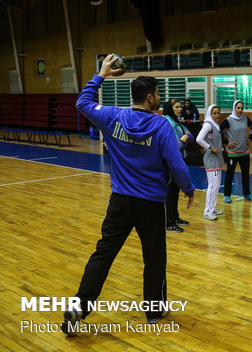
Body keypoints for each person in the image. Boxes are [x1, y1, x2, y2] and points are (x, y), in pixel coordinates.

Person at [62, 54, 195, 335]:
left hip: (120, 202)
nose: (159, 97)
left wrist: (101, 74)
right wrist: (188, 189)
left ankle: (78, 308)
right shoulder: (160, 126)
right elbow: (176, 164)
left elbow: (82, 103)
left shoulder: (114, 117)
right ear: (149, 97)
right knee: (155, 259)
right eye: (157, 94)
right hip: (150, 205)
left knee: (103, 254)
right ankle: (154, 312)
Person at [162, 99, 194, 232]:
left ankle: (175, 217)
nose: (180, 109)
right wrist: (184, 140)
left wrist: (186, 138)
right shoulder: (168, 122)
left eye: (180, 106)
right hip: (171, 163)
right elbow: (176, 145)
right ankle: (169, 222)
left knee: (175, 192)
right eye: (177, 107)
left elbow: (191, 135)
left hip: (180, 160)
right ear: (170, 108)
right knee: (170, 193)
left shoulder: (177, 122)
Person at [220, 100, 252, 203]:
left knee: (246, 174)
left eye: (241, 108)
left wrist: (250, 138)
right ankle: (227, 195)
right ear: (234, 108)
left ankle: (247, 194)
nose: (240, 110)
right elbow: (219, 132)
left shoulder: (245, 119)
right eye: (238, 108)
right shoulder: (228, 120)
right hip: (232, 153)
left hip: (245, 152)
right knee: (230, 175)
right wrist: (227, 143)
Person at [196, 104, 225, 221]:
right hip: (211, 158)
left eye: (218, 113)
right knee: (212, 186)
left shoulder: (215, 125)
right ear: (210, 114)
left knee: (216, 185)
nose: (217, 115)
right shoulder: (208, 124)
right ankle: (207, 211)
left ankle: (212, 208)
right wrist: (210, 147)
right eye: (214, 113)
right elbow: (199, 139)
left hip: (217, 158)